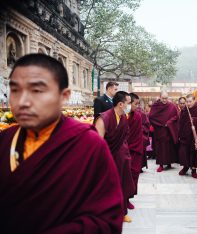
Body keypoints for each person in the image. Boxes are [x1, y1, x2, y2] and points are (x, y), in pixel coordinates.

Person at [0, 54, 124, 233]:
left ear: (64, 96)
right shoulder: (5, 142)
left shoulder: (88, 145)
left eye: (37, 91)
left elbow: (107, 220)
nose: (22, 102)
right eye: (15, 91)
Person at [95, 91, 135, 223]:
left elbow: (124, 137)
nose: (130, 106)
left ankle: (122, 212)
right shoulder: (103, 119)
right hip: (108, 159)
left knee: (122, 185)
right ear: (121, 104)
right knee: (108, 187)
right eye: (129, 103)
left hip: (121, 158)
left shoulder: (123, 117)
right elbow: (97, 144)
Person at [149, 91, 179, 172]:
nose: (165, 100)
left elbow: (176, 116)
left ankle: (169, 163)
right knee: (161, 148)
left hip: (169, 130)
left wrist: (169, 123)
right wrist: (160, 124)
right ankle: (161, 165)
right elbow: (151, 116)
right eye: (163, 98)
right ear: (160, 97)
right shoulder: (156, 106)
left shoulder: (172, 106)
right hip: (160, 130)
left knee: (169, 147)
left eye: (166, 98)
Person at [127, 93, 144, 205]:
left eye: (138, 104)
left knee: (134, 174)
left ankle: (128, 197)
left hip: (135, 149)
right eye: (135, 104)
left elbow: (138, 133)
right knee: (124, 175)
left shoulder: (137, 116)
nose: (137, 106)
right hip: (123, 150)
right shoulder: (122, 115)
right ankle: (122, 198)